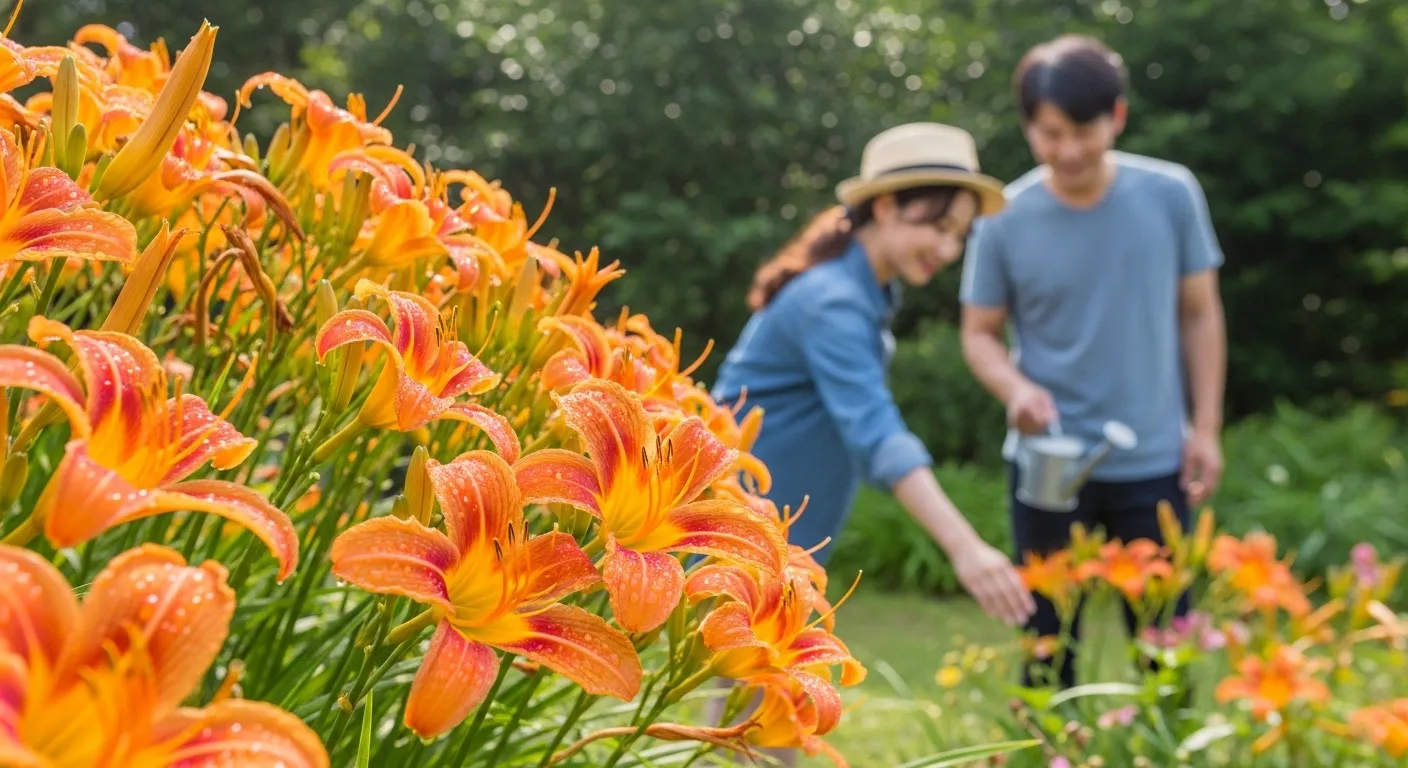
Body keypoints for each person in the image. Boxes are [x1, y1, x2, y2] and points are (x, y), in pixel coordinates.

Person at [959, 34, 1227, 688]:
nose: (1069, 150)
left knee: (1165, 651)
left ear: (1118, 116)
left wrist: (1207, 428)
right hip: (1050, 467)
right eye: (1050, 134)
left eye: (1084, 130)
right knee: (1048, 652)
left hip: (1153, 459)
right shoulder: (1004, 219)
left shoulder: (1170, 194)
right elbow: (979, 333)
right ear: (1028, 128)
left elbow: (1200, 311)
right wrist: (1014, 388)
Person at [712, 122, 1035, 630]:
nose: (949, 250)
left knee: (744, 697)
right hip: (742, 527)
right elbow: (876, 433)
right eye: (938, 225)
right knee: (737, 693)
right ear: (885, 207)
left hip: (770, 530)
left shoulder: (859, 292)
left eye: (959, 235)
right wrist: (966, 547)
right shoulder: (833, 302)